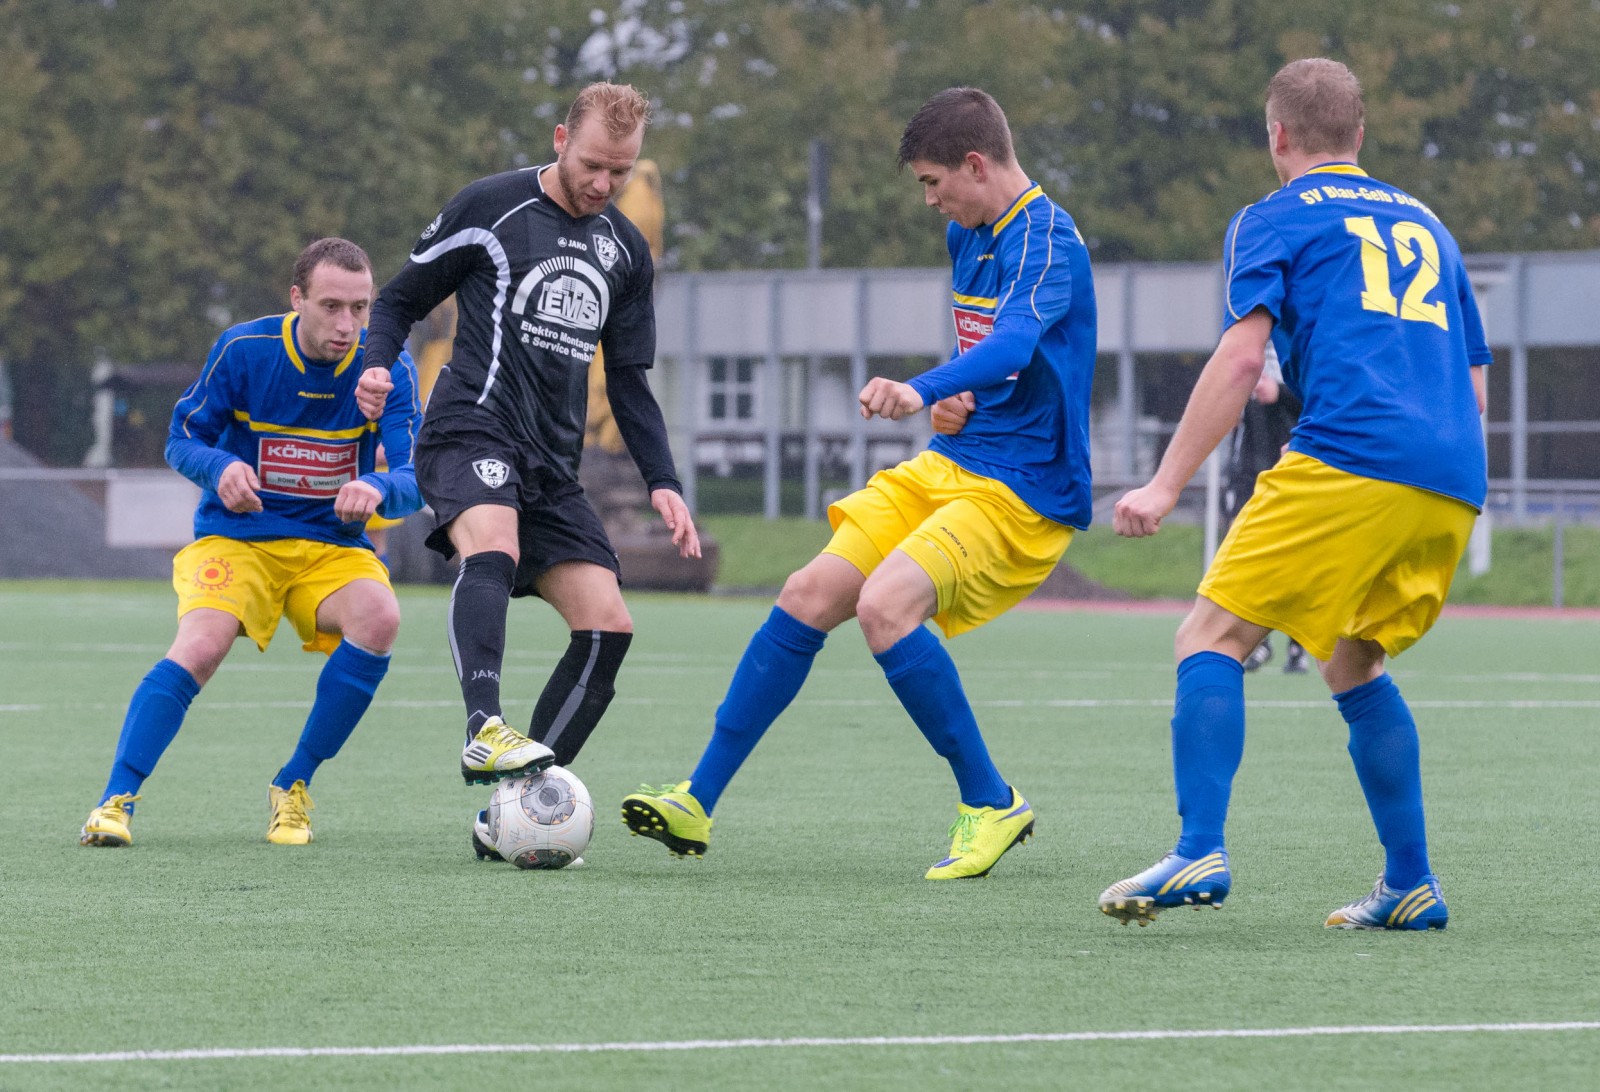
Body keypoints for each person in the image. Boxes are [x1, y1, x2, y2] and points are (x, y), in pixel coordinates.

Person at [621, 86, 1096, 880]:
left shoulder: (1049, 239)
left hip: (1020, 491)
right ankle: (695, 800)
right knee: (808, 592)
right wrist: (956, 407)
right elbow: (993, 363)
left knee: (885, 606)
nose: (930, 198)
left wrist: (924, 390)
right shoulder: (965, 234)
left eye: (933, 180)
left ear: (976, 165)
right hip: (956, 463)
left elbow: (1014, 343)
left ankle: (991, 801)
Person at [1098, 58, 1489, 930]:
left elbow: (1243, 359)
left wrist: (1165, 484)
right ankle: (1410, 884)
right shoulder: (1432, 225)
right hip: (1455, 474)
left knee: (1212, 632)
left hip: (1353, 456)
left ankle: (1199, 845)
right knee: (1354, 659)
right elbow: (1474, 385)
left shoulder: (1269, 218)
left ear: (1278, 135)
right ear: (1361, 134)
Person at [356, 82, 700, 792]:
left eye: (621, 171)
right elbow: (397, 299)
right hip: (469, 429)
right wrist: (374, 368)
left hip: (550, 465)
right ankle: (485, 728)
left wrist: (664, 482)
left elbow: (630, 383)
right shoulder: (492, 206)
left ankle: (521, 805)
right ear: (559, 141)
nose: (604, 183)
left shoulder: (627, 252)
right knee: (495, 547)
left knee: (608, 626)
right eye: (593, 166)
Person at [80, 238, 423, 847]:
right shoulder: (244, 349)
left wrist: (376, 484)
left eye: (361, 308)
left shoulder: (387, 368)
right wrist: (220, 470)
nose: (348, 325)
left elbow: (417, 477)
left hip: (331, 547)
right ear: (297, 300)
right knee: (203, 644)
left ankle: (292, 785)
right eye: (331, 306)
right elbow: (181, 441)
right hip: (238, 540)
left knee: (380, 617)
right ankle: (114, 801)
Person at [1224, 338, 1308, 674]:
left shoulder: (1302, 332)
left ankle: (1298, 645)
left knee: (1295, 561)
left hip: (1291, 468)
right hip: (1248, 472)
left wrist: (1281, 392)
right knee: (1242, 558)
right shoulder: (1241, 336)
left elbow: (1324, 402)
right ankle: (1256, 642)